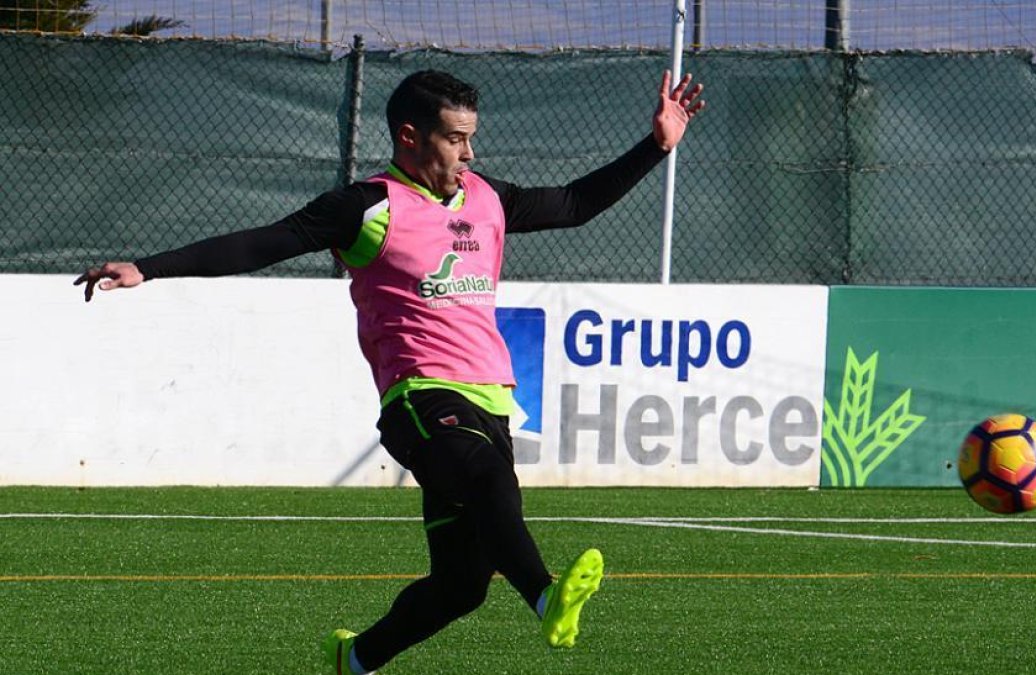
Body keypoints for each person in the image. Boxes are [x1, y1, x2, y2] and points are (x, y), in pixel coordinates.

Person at [75, 68, 706, 674]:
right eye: (455, 138)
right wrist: (148, 267)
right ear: (410, 136)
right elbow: (263, 242)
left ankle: (355, 659)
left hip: (490, 398)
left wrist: (656, 146)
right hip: (419, 398)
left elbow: (575, 204)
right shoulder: (367, 206)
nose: (468, 151)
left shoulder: (486, 198)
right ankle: (546, 598)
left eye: (471, 137)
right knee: (487, 477)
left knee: (461, 587)